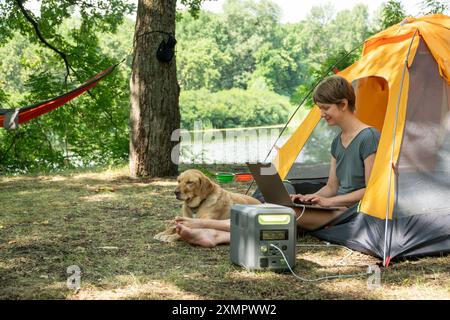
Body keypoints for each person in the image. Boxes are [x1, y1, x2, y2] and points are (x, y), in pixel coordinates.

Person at [174, 75, 380, 247]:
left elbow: (369, 192)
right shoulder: (338, 141)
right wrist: (310, 198)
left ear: (343, 104)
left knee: (285, 214)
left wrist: (329, 202)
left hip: (350, 212)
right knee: (278, 208)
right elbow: (331, 186)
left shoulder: (368, 137)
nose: (321, 114)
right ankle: (216, 235)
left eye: (325, 108)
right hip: (332, 207)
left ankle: (207, 227)